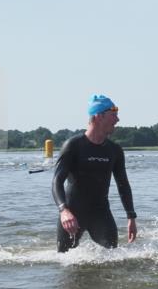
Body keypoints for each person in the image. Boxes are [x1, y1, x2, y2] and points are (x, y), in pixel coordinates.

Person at [52, 94, 137, 252]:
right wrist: (64, 211)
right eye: (114, 115)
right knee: (63, 261)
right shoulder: (73, 146)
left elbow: (123, 184)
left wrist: (131, 217)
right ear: (99, 116)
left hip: (101, 213)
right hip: (73, 215)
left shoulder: (114, 150)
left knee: (112, 260)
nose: (117, 120)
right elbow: (57, 181)